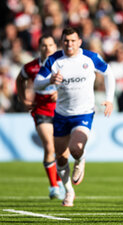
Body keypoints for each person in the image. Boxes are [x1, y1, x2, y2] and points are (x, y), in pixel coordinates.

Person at [34, 27, 115, 207]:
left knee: (75, 149)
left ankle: (80, 158)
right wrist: (49, 80)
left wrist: (109, 99)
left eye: (73, 40)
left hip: (84, 112)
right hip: (62, 114)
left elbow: (109, 73)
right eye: (66, 41)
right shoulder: (54, 60)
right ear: (62, 42)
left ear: (79, 42)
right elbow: (36, 84)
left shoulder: (90, 58)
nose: (69, 44)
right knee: (60, 157)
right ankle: (69, 191)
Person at [16, 34, 65, 200]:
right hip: (41, 110)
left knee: (61, 150)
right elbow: (19, 80)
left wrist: (60, 93)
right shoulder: (31, 67)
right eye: (44, 45)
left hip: (61, 110)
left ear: (55, 46)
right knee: (49, 146)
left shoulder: (63, 64)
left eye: (50, 45)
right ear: (39, 47)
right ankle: (53, 186)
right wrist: (24, 99)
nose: (47, 48)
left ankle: (59, 181)